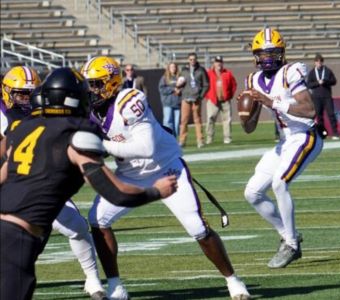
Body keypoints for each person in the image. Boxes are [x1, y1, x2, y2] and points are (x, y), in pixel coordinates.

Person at [0, 67, 178, 300]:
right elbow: (116, 193)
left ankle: (93, 280)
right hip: (19, 237)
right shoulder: (76, 136)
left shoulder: (20, 129)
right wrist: (156, 191)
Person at [82, 56, 250, 300]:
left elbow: (146, 147)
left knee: (197, 228)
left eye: (96, 83)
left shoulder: (129, 100)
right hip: (130, 173)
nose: (91, 89)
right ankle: (116, 285)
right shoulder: (89, 110)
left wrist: (102, 144)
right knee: (97, 219)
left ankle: (233, 280)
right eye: (89, 83)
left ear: (111, 82)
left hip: (165, 168)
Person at [0, 66, 108, 299]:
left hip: (37, 185)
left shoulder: (41, 113)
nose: (26, 100)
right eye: (21, 94)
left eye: (30, 94)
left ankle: (93, 280)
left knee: (76, 227)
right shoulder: (5, 114)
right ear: (8, 91)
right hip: (12, 186)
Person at [239, 28, 324, 268]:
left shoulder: (291, 72)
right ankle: (289, 236)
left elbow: (309, 111)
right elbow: (249, 129)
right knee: (252, 192)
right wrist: (246, 114)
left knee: (280, 182)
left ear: (282, 53)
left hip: (305, 135)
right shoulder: (252, 80)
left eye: (272, 53)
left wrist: (272, 101)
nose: (267, 58)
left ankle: (292, 246)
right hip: (285, 141)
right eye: (263, 54)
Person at [306, 53, 340, 140]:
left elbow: (334, 81)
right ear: (315, 62)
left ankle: (335, 133)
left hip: (327, 96)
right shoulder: (312, 72)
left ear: (322, 62)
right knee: (319, 116)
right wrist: (317, 83)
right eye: (317, 62)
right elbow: (309, 84)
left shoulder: (327, 71)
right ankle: (322, 134)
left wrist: (325, 81)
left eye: (320, 62)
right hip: (316, 97)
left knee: (331, 114)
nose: (319, 63)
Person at [179, 52, 209, 148]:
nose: (192, 61)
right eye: (190, 59)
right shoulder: (184, 70)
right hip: (186, 97)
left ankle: (200, 140)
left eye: (194, 59)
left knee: (197, 120)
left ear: (196, 60)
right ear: (188, 60)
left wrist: (201, 96)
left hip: (196, 98)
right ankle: (182, 141)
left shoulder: (201, 70)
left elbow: (206, 84)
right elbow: (180, 82)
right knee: (184, 120)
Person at [205, 55, 237, 144]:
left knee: (227, 120)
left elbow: (233, 85)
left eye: (220, 62)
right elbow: (204, 85)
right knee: (210, 119)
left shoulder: (228, 73)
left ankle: (227, 138)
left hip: (225, 100)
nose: (218, 64)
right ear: (214, 63)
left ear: (222, 63)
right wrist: (208, 96)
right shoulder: (209, 73)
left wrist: (229, 96)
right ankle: (209, 138)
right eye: (217, 62)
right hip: (213, 100)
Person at [158, 62, 182, 137]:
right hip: (167, 103)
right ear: (168, 68)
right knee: (168, 122)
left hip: (177, 103)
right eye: (171, 67)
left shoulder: (180, 77)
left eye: (174, 67)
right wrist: (173, 89)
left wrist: (180, 90)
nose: (173, 68)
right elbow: (161, 89)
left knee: (177, 123)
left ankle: (175, 139)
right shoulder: (164, 78)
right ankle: (168, 137)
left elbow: (184, 88)